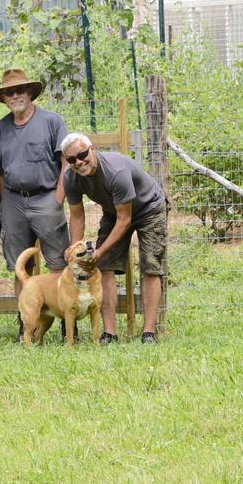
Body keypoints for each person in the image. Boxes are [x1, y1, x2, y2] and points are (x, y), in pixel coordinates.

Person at [61, 130, 169, 344]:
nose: (79, 162)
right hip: (114, 212)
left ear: (93, 150)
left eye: (82, 155)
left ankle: (148, 333)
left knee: (150, 266)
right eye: (72, 159)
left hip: (149, 208)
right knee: (104, 267)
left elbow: (125, 219)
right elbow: (76, 215)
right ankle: (109, 333)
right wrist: (76, 250)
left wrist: (99, 251)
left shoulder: (115, 171)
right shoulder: (70, 178)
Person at [0, 67, 69, 286]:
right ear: (4, 98)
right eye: (9, 92)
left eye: (20, 90)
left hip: (46, 198)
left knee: (58, 263)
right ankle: (26, 319)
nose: (15, 96)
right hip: (13, 202)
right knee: (20, 267)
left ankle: (65, 318)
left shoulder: (52, 122)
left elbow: (66, 162)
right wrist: (6, 202)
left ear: (30, 92)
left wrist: (58, 198)